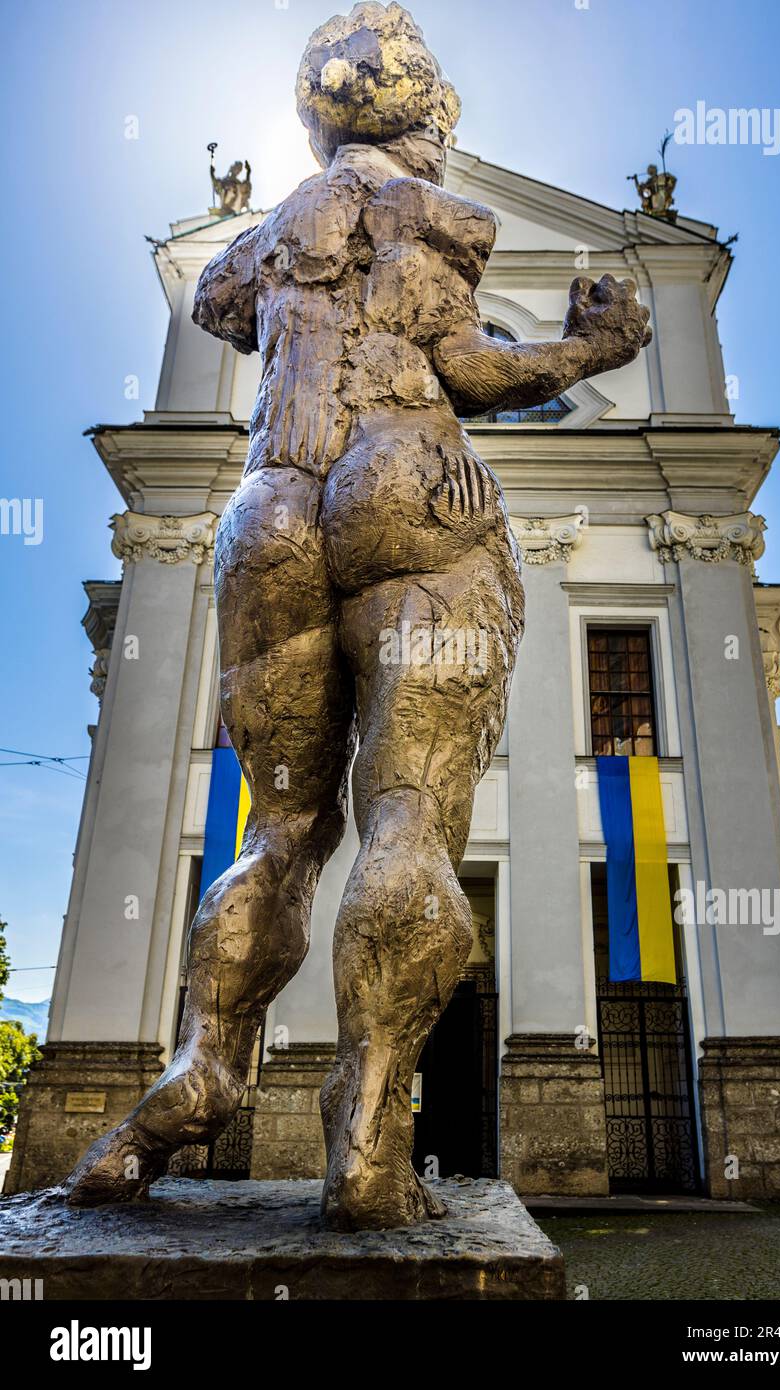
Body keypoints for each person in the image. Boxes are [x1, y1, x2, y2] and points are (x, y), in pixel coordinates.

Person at [65, 1, 651, 1230]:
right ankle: (371, 1141)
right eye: (442, 122)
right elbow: (476, 369)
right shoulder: (429, 216)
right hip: (408, 490)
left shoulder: (271, 236)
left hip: (272, 500)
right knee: (407, 818)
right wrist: (590, 349)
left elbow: (220, 308)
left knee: (280, 833)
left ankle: (197, 1072)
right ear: (426, 118)